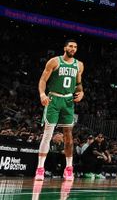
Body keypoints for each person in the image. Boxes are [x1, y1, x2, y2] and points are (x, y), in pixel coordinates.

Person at [35, 39, 84, 181]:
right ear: (65, 48)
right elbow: (43, 80)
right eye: (70, 46)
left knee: (68, 136)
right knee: (47, 134)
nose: (73, 48)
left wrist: (81, 93)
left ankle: (69, 168)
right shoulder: (54, 62)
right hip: (54, 99)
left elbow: (79, 84)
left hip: (68, 101)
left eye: (75, 46)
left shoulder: (79, 65)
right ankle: (40, 168)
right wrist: (42, 94)